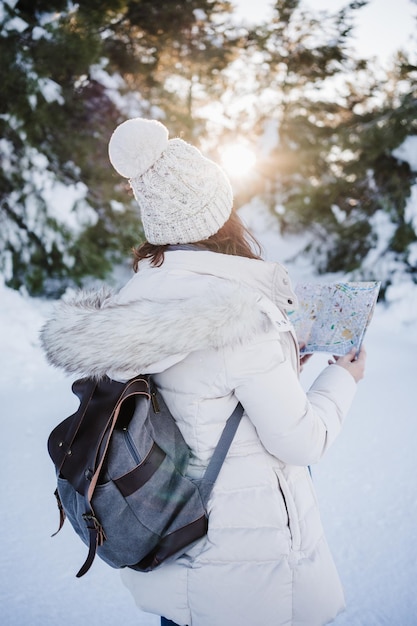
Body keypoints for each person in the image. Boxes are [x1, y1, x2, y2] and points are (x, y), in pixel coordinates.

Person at [41, 117, 366, 626]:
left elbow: (202, 400)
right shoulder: (241, 315)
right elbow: (301, 442)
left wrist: (279, 368)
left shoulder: (133, 306)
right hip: (252, 584)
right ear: (221, 216)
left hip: (175, 560)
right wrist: (344, 377)